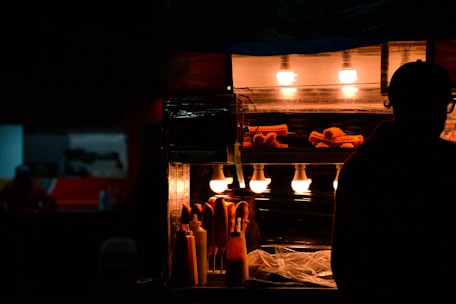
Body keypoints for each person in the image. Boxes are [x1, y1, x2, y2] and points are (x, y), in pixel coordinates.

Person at [331, 60, 456, 304]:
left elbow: (345, 260)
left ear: (394, 104)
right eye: (442, 105)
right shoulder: (449, 165)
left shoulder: (360, 165)